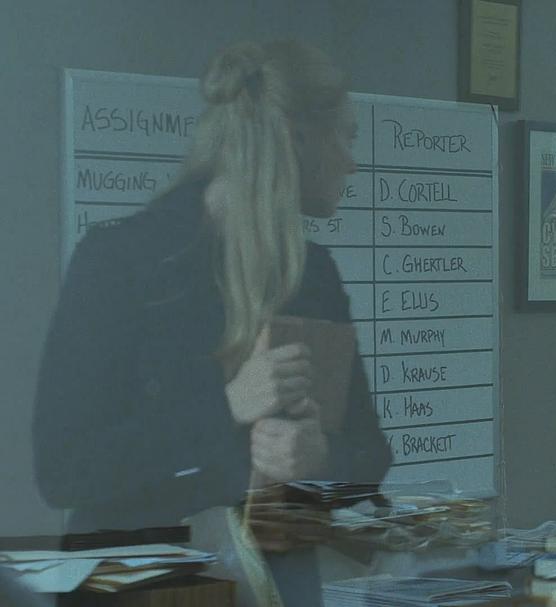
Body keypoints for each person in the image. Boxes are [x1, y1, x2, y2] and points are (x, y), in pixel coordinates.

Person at [33, 40, 391, 601]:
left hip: (278, 583)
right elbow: (64, 470)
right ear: (295, 136)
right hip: (141, 588)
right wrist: (227, 404)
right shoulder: (121, 262)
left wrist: (320, 457)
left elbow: (370, 454)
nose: (352, 160)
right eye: (344, 135)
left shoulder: (314, 274)